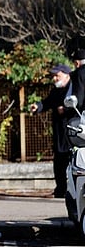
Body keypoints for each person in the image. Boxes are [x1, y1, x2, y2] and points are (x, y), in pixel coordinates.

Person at [30, 64, 72, 198]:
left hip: (73, 132)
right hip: (60, 133)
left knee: (73, 162)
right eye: (53, 76)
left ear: (67, 75)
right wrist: (38, 106)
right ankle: (60, 189)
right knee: (59, 163)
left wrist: (65, 110)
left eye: (57, 75)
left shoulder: (76, 88)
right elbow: (48, 102)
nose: (54, 78)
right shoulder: (56, 90)